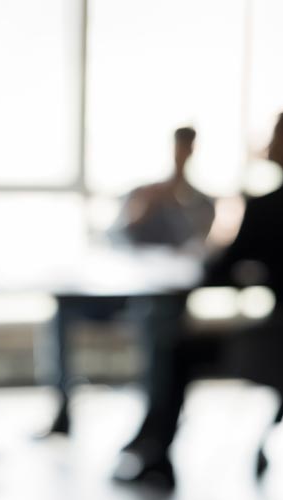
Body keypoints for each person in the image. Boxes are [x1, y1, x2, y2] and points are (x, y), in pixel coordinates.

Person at [113, 110, 283, 489]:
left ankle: (157, 454)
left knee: (176, 349)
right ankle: (148, 442)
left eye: (275, 136)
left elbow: (222, 269)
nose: (267, 145)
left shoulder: (267, 206)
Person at [43, 127, 215, 435]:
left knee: (159, 322)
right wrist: (140, 212)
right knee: (63, 307)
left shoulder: (203, 204)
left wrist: (177, 212)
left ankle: (153, 424)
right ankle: (62, 409)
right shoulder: (144, 193)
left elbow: (196, 252)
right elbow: (113, 237)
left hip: (161, 299)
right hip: (124, 288)